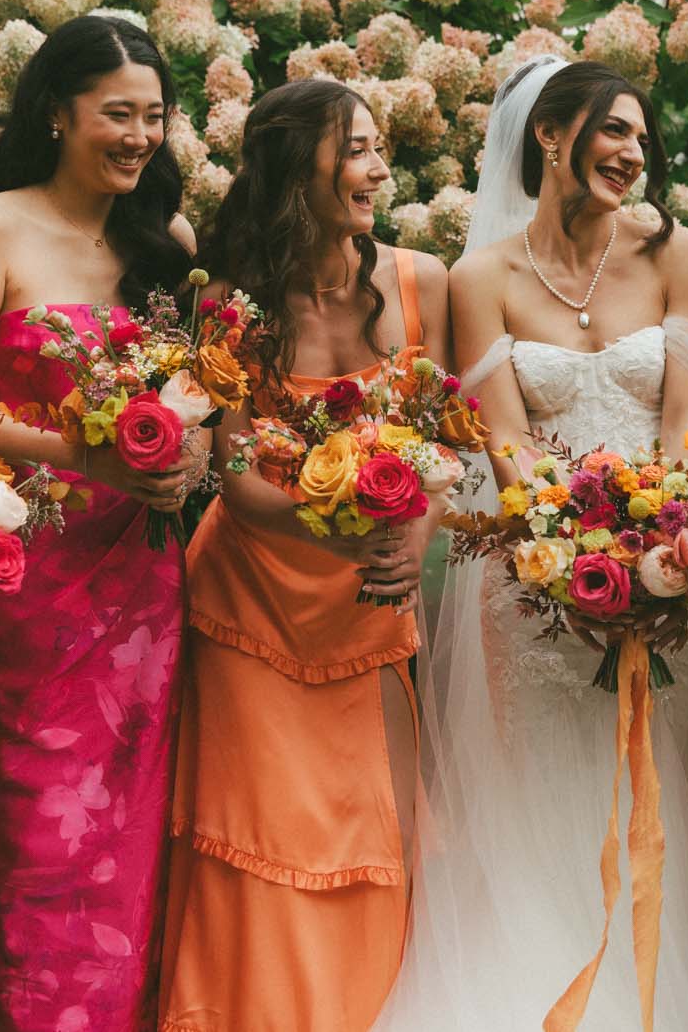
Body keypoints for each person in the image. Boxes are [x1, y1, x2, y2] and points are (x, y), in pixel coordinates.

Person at [374, 58, 688, 1030]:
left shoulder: (680, 254)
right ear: (548, 135)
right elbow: (502, 435)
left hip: (668, 560)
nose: (631, 152)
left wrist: (656, 551)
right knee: (541, 789)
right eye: (611, 130)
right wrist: (567, 557)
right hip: (532, 574)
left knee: (653, 777)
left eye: (639, 136)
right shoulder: (479, 277)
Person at [157, 79, 447, 1031]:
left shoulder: (417, 282)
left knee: (376, 828)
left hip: (368, 603)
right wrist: (341, 520)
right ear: (299, 169)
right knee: (254, 835)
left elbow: (435, 447)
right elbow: (233, 475)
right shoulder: (238, 297)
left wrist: (409, 536)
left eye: (376, 149)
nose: (375, 170)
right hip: (249, 605)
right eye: (355, 150)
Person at [0, 15, 202, 1032]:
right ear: (58, 112)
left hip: (141, 583)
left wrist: (179, 454)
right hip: (32, 576)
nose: (139, 136)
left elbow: (194, 390)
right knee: (39, 833)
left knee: (131, 836)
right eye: (117, 114)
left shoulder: (165, 240)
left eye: (155, 116)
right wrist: (82, 455)